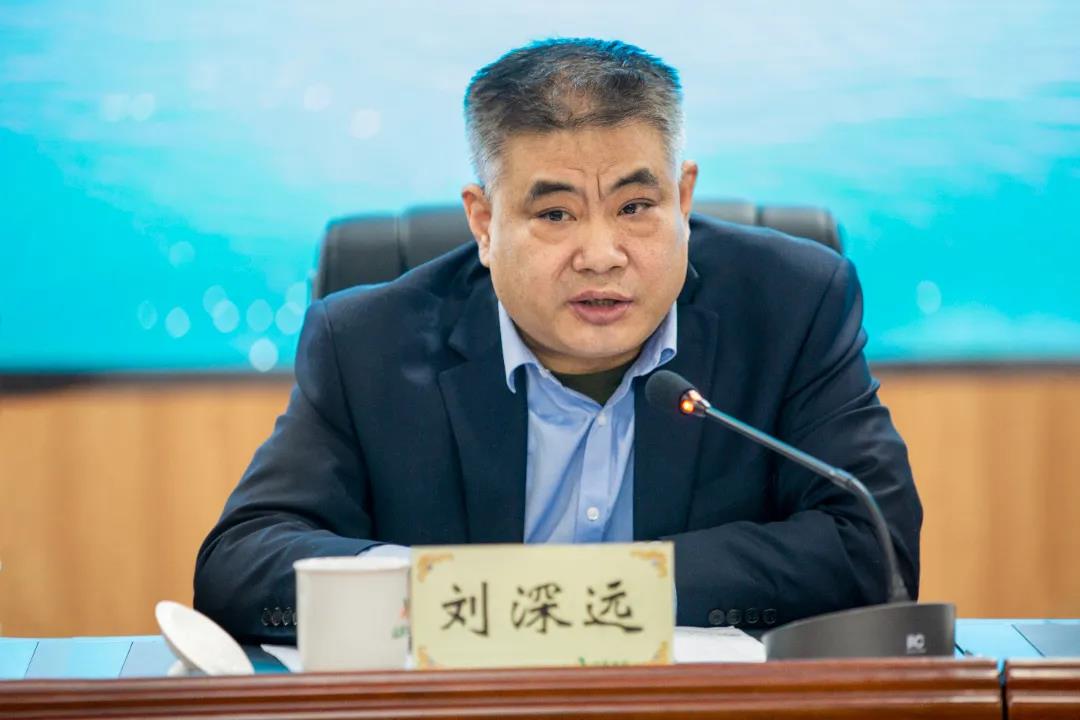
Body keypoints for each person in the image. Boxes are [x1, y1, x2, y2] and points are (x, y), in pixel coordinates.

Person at [194, 38, 921, 643]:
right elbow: (238, 567)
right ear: (484, 223)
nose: (601, 255)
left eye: (636, 206)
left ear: (683, 198)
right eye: (555, 215)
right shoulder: (366, 343)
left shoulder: (792, 305)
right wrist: (453, 597)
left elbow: (871, 547)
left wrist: (600, 591)